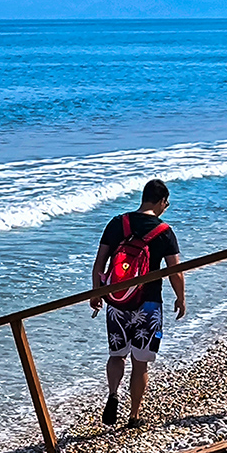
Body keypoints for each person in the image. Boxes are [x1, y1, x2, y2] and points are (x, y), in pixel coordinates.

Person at [90, 179, 185, 428]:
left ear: (143, 197)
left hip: (117, 300)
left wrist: (96, 293)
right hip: (149, 304)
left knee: (116, 355)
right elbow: (175, 271)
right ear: (162, 201)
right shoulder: (164, 231)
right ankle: (134, 415)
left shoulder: (117, 223)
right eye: (166, 204)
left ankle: (113, 393)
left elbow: (99, 263)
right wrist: (181, 298)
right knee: (140, 363)